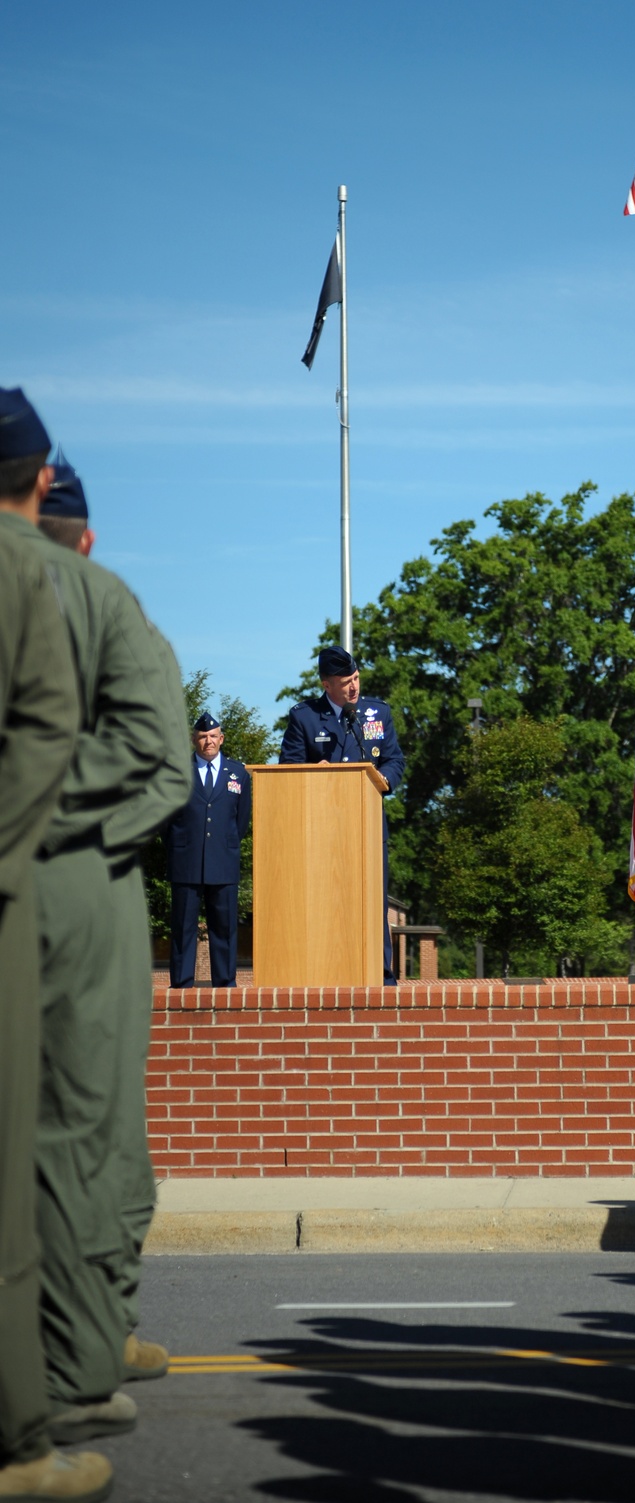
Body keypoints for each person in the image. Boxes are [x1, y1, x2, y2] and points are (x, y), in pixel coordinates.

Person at [16, 439, 190, 1443]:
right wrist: (69, 833)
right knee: (96, 1122)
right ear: (80, 527)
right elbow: (162, 770)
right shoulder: (102, 600)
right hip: (87, 877)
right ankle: (86, 1338)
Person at [0, 391, 111, 1500]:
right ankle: (27, 1425)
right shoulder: (65, 587)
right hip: (40, 877)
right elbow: (55, 728)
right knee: (56, 1130)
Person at [279, 645, 405, 982]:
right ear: (326, 685)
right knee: (323, 902)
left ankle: (381, 974)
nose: (354, 687)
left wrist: (383, 779)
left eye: (357, 678)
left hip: (367, 827)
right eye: (346, 681)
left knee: (372, 903)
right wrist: (312, 773)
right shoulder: (304, 717)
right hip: (321, 831)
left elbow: (394, 760)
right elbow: (288, 769)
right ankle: (323, 970)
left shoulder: (377, 713)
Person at [164, 712, 251, 989]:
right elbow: (166, 819)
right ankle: (181, 985)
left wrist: (224, 845)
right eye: (202, 736)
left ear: (221, 739)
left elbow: (241, 820)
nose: (208, 741)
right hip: (186, 860)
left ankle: (225, 986)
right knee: (183, 928)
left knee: (224, 929)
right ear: (194, 739)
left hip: (223, 862)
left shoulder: (238, 773)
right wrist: (179, 845)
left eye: (213, 736)